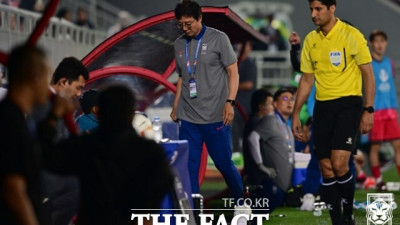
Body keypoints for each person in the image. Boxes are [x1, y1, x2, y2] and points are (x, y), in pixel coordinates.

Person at [292, 1, 375, 224]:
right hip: (323, 107)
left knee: (340, 163)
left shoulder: (352, 35)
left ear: (332, 8)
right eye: (311, 9)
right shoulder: (311, 39)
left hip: (349, 105)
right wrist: (295, 114)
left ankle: (348, 215)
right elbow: (307, 80)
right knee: (326, 168)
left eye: (318, 9)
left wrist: (368, 109)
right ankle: (337, 220)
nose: (313, 14)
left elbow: (368, 74)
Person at [42, 85, 173, 225]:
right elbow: (164, 182)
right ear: (132, 114)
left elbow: (47, 156)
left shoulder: (85, 146)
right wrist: (146, 212)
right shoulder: (151, 152)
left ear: (99, 113)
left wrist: (53, 115)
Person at [170, 0, 244, 211]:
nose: (185, 28)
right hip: (189, 117)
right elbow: (183, 78)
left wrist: (230, 102)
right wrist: (176, 106)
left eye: (189, 23)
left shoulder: (219, 38)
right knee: (190, 166)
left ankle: (241, 203)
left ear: (200, 18)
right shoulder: (178, 44)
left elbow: (233, 72)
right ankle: (194, 211)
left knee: (223, 164)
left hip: (216, 116)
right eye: (181, 24)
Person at [0, 45, 51, 225]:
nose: (48, 86)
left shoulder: (15, 117)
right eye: (46, 77)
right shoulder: (10, 122)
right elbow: (14, 189)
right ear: (34, 77)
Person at [39, 57, 89, 225]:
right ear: (63, 82)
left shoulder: (56, 104)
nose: (79, 94)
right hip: (45, 178)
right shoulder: (44, 105)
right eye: (78, 88)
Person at [247, 87, 295, 213]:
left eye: (292, 99)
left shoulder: (284, 124)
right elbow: (253, 138)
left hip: (280, 183)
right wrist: (261, 165)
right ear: (275, 103)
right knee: (259, 215)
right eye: (285, 98)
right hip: (270, 182)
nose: (289, 102)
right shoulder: (270, 120)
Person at [368, 30, 400, 188]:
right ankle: (379, 180)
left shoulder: (389, 63)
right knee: (375, 147)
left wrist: (394, 107)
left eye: (383, 41)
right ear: (372, 44)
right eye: (377, 41)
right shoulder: (367, 64)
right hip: (376, 112)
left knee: (397, 146)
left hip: (390, 111)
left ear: (386, 43)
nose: (380, 44)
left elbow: (391, 86)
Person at [243, 89, 274, 185]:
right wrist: (261, 166)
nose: (274, 107)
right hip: (259, 176)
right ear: (261, 107)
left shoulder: (253, 121)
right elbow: (253, 140)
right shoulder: (258, 123)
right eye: (271, 104)